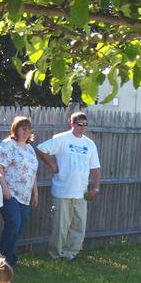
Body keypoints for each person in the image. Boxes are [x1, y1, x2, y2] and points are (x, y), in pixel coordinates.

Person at [35, 112, 101, 261]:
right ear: (72, 124)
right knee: (60, 226)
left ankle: (71, 254)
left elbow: (96, 167)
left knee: (79, 226)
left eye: (85, 124)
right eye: (79, 124)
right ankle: (56, 255)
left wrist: (96, 188)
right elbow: (40, 149)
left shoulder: (89, 144)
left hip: (81, 192)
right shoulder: (62, 139)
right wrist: (53, 165)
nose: (82, 127)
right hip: (62, 191)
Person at [0, 116, 39, 267]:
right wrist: (4, 189)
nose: (26, 132)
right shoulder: (7, 145)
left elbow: (32, 173)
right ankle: (3, 258)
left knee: (19, 225)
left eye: (28, 129)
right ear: (15, 129)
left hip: (25, 195)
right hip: (10, 192)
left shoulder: (29, 148)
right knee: (14, 222)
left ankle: (8, 258)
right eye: (23, 128)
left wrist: (35, 193)